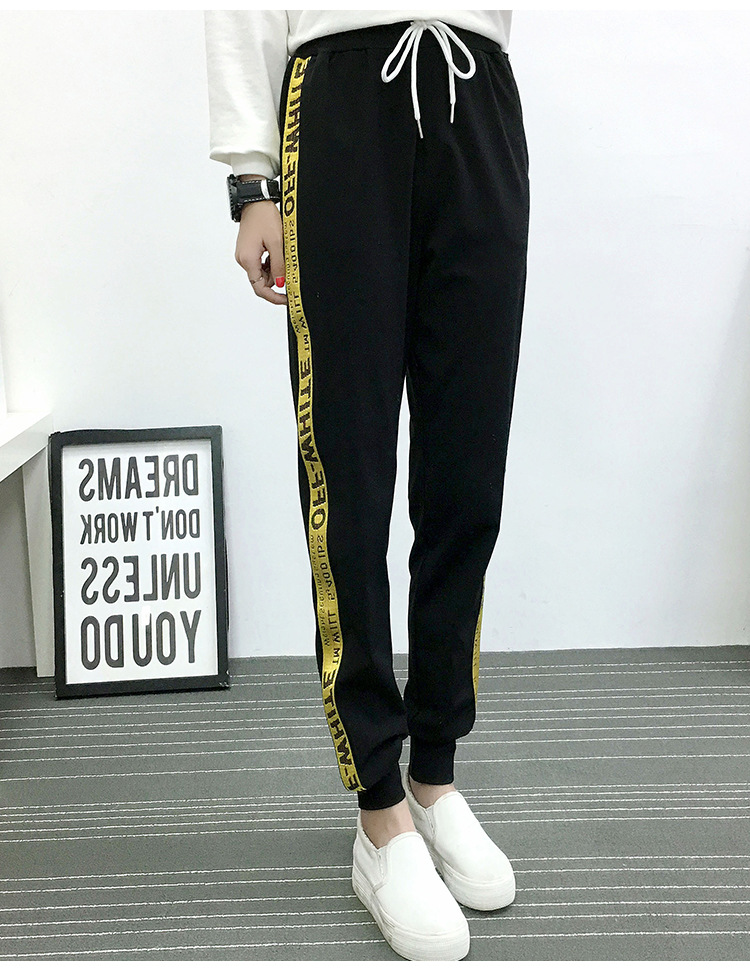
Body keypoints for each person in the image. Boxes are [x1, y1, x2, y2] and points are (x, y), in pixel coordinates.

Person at [204, 10, 529, 961]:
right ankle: (379, 811)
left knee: (468, 470)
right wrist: (252, 181)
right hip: (342, 97)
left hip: (478, 91)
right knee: (347, 474)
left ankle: (435, 774)